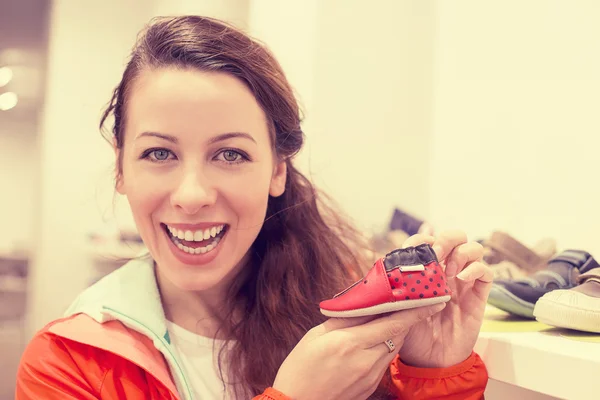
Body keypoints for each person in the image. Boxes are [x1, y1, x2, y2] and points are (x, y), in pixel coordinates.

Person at [16, 16, 492, 400]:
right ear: (121, 170)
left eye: (230, 154)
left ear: (277, 170)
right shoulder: (68, 365)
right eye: (159, 153)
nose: (192, 194)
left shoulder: (353, 319)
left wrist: (432, 374)